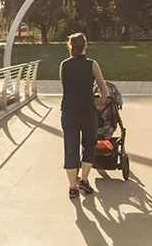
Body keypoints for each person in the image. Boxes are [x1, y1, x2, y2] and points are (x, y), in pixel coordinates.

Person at [60, 32, 109, 199]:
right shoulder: (92, 65)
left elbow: (65, 88)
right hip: (88, 112)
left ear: (70, 47)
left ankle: (72, 187)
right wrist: (99, 103)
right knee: (89, 145)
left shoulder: (64, 65)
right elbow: (104, 90)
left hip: (69, 112)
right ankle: (84, 180)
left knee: (71, 148)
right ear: (85, 46)